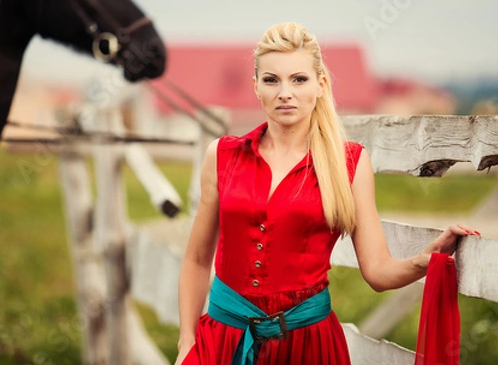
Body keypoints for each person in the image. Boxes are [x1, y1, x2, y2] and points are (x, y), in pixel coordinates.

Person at [175, 22, 479, 365]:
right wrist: (187, 341)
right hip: (223, 340)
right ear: (256, 86)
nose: (284, 92)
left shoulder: (348, 163)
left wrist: (422, 261)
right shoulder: (223, 155)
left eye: (299, 79)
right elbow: (197, 259)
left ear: (320, 85)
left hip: (308, 346)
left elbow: (378, 271)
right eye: (271, 80)